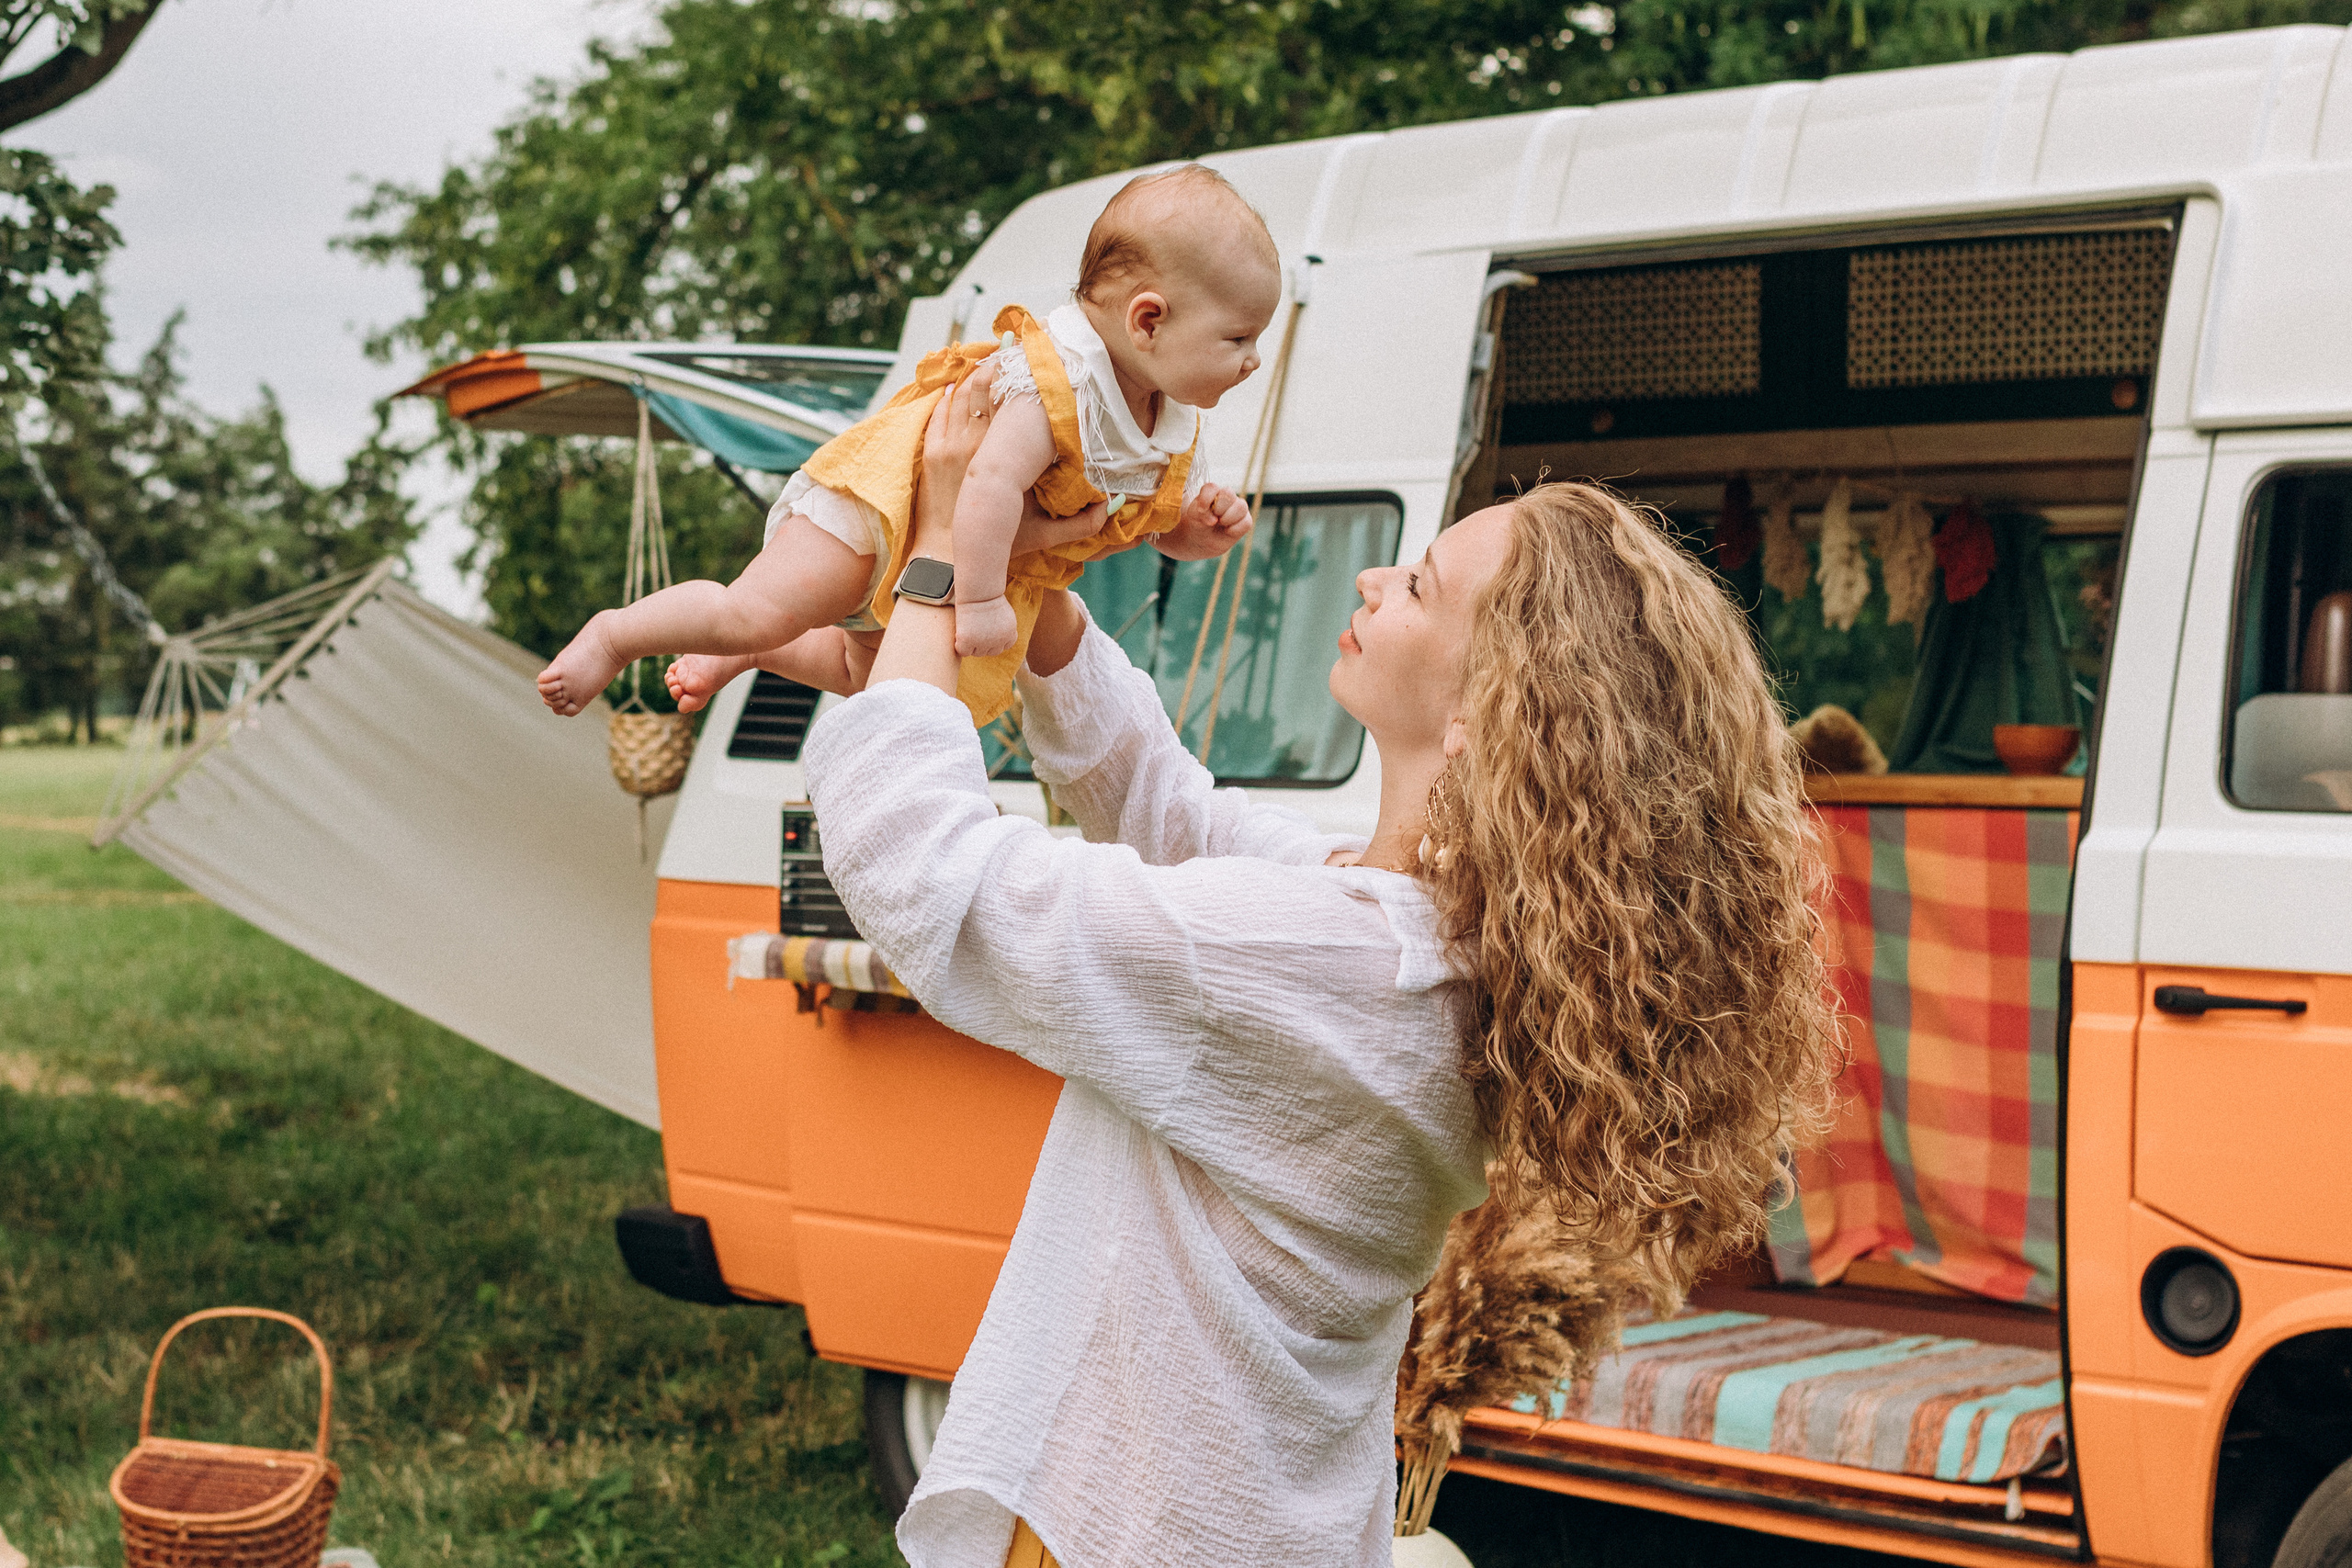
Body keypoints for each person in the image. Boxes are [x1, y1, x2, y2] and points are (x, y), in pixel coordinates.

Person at [802, 370, 1839, 1568]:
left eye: (1419, 585)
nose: (1372, 579)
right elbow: (1174, 811)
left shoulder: (1335, 959)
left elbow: (928, 872)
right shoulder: (1435, 946)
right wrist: (1031, 590)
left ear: (1483, 713)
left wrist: (942, 550)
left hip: (1127, 1530)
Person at [534, 163, 1279, 728]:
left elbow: (1145, 525)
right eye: (1239, 338)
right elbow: (985, 485)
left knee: (872, 679)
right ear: (1148, 321)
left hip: (950, 560)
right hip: (883, 515)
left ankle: (757, 655)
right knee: (753, 610)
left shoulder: (1167, 427)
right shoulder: (1055, 383)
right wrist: (979, 599)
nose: (1252, 361)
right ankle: (617, 635)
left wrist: (1195, 532)